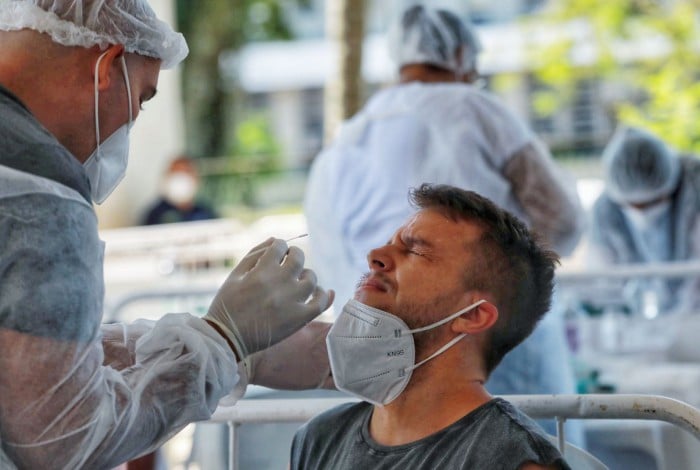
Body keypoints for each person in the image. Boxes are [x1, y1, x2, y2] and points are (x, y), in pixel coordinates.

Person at [0, 2, 333, 469]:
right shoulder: (40, 200)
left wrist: (222, 347)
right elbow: (62, 439)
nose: (133, 119)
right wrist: (221, 341)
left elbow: (30, 360)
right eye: (143, 97)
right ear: (107, 66)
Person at [303, 3, 584, 442]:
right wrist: (513, 277)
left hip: (382, 362)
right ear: (460, 54)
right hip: (491, 350)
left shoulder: (346, 139)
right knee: (524, 443)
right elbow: (562, 220)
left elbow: (330, 260)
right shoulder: (473, 109)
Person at [292, 184, 571, 470]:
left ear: (473, 314)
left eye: (415, 250)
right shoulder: (319, 439)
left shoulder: (510, 460)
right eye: (389, 243)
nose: (375, 256)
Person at [589, 125, 700, 314]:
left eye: (654, 201)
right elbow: (604, 277)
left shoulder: (694, 186)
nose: (643, 213)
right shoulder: (605, 210)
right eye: (633, 205)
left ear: (672, 186)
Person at [142, 155, 218, 225]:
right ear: (167, 178)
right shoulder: (155, 215)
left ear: (196, 179)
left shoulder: (206, 215)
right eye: (176, 173)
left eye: (186, 172)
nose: (181, 179)